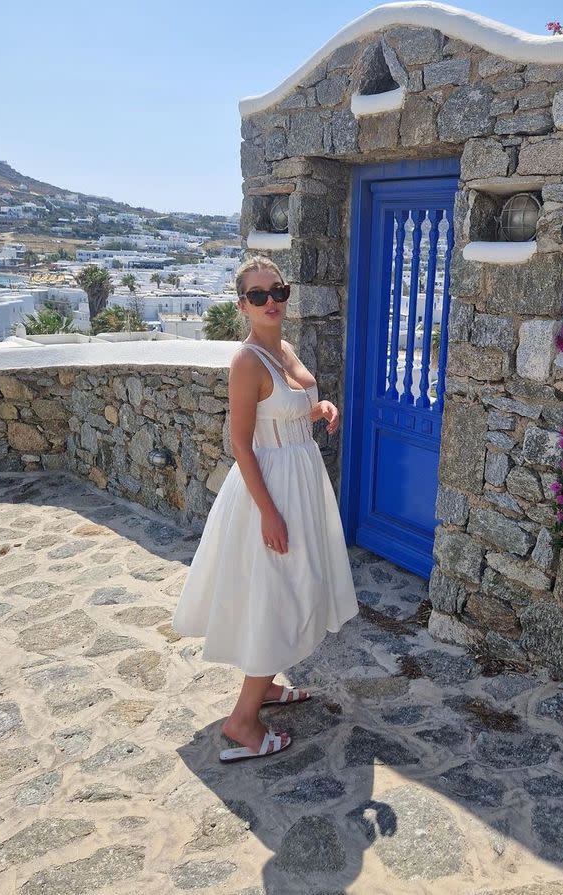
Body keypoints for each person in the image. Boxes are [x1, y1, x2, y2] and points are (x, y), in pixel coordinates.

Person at [172, 255, 358, 762]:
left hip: (301, 479)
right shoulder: (247, 361)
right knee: (279, 593)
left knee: (290, 585)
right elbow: (241, 444)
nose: (271, 301)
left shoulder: (286, 350)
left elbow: (291, 407)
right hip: (271, 488)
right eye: (259, 296)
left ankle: (267, 686)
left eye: (278, 290)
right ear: (242, 306)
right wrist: (269, 512)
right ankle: (242, 722)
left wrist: (318, 409)